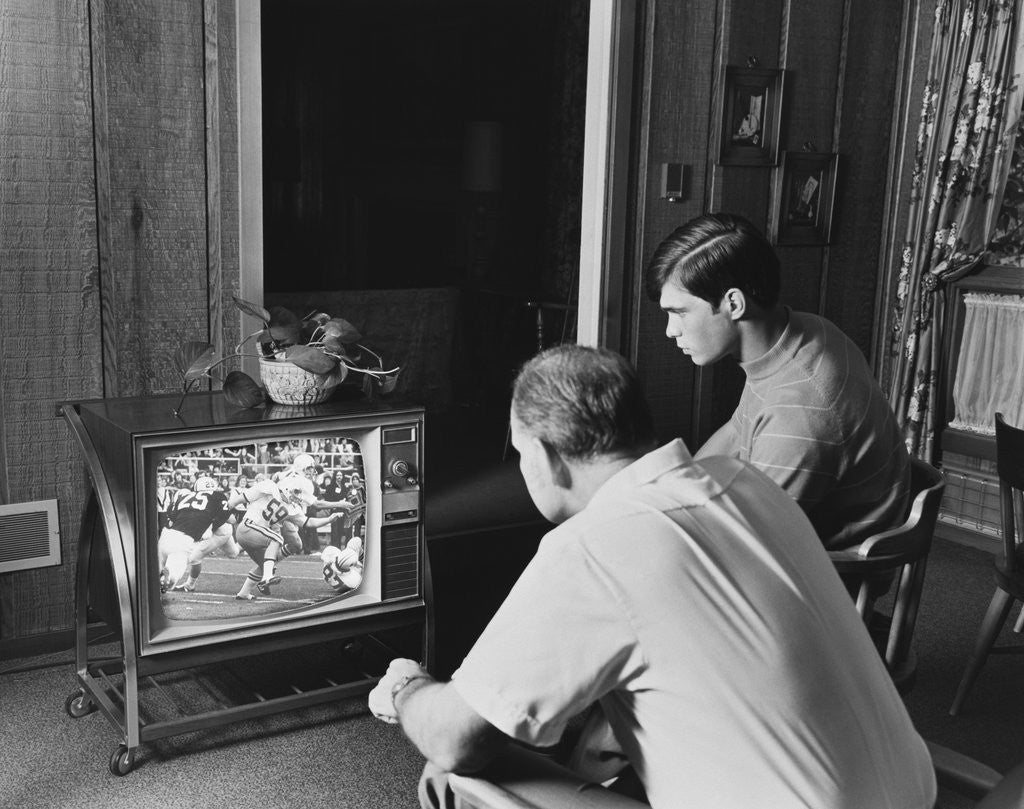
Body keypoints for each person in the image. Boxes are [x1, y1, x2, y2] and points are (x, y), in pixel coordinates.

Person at [367, 344, 935, 809]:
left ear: (547, 455)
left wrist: (405, 686)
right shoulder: (743, 480)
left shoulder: (592, 546)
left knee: (454, 773)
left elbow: (455, 738)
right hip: (914, 791)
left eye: (520, 455)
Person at [645, 212, 910, 551]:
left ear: (733, 304)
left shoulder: (799, 412)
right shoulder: (804, 332)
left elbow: (746, 544)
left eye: (680, 312)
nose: (671, 330)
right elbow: (737, 430)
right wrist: (678, 493)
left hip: (826, 567)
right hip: (788, 530)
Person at [229, 473, 345, 600]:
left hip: (255, 536)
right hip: (247, 527)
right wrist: (229, 506)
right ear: (288, 487)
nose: (298, 497)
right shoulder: (269, 486)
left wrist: (328, 519)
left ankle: (244, 593)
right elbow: (245, 496)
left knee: (266, 565)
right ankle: (267, 578)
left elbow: (308, 522)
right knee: (276, 539)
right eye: (296, 492)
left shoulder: (291, 508)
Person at [157, 475, 234, 592]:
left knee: (156, 571)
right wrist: (211, 526)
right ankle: (168, 579)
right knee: (171, 579)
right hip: (185, 541)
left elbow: (171, 515)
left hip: (166, 535)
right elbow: (231, 519)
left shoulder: (184, 495)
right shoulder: (217, 497)